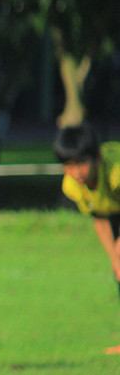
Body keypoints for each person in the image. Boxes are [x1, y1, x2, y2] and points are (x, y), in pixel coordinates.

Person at [54, 123, 120, 353]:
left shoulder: (116, 173)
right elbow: (100, 218)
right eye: (69, 166)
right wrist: (114, 258)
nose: (76, 172)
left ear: (98, 158)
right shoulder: (72, 186)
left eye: (81, 163)